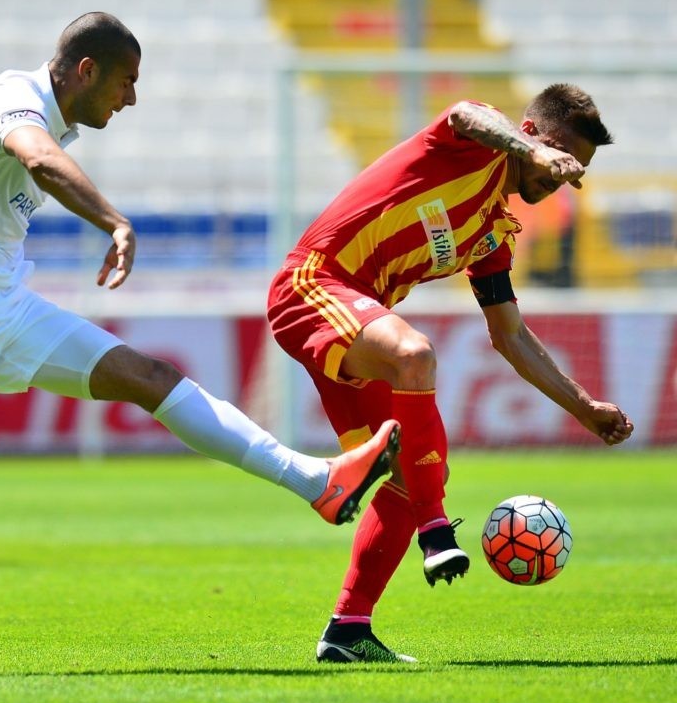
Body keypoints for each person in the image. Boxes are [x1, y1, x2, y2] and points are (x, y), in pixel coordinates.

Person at [0, 12, 401, 681]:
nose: (131, 98)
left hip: (2, 296)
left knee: (148, 376)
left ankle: (315, 481)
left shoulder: (18, 101)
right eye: (125, 81)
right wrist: (113, 222)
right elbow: (38, 159)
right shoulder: (19, 105)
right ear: (86, 71)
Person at [267, 84, 635, 663]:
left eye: (574, 170)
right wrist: (534, 152)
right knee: (415, 355)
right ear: (530, 134)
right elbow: (465, 114)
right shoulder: (474, 141)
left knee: (410, 473)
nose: (561, 175)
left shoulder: (492, 233)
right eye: (561, 156)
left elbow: (510, 336)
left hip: (356, 318)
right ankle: (435, 530)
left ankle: (348, 631)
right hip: (313, 285)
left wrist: (584, 408)